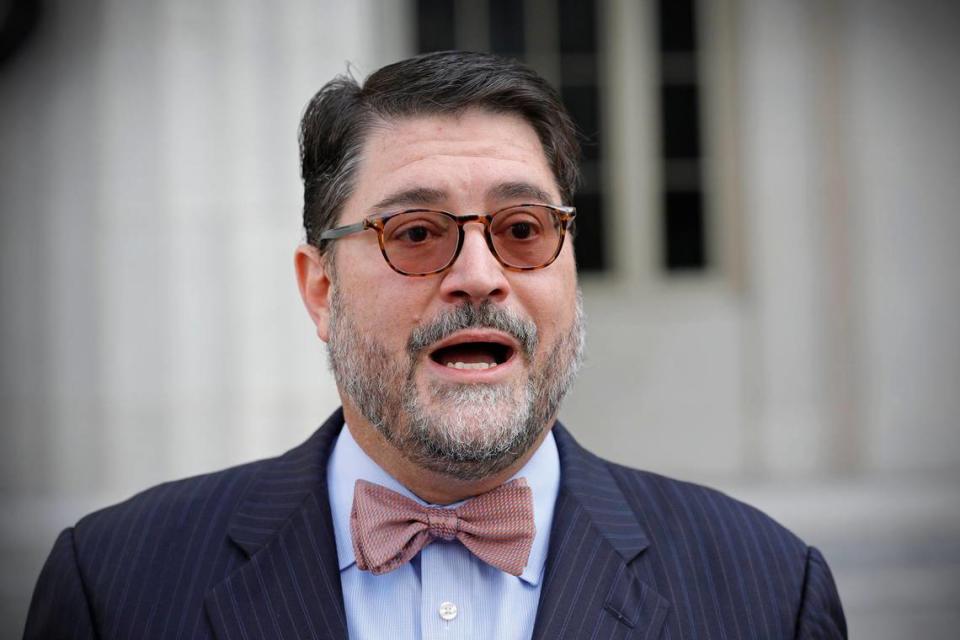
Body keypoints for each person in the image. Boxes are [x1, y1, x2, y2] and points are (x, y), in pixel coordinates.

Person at [24, 50, 846, 639]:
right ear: (320, 289)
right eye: (416, 232)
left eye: (523, 229)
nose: (480, 275)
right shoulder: (113, 583)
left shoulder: (770, 588)